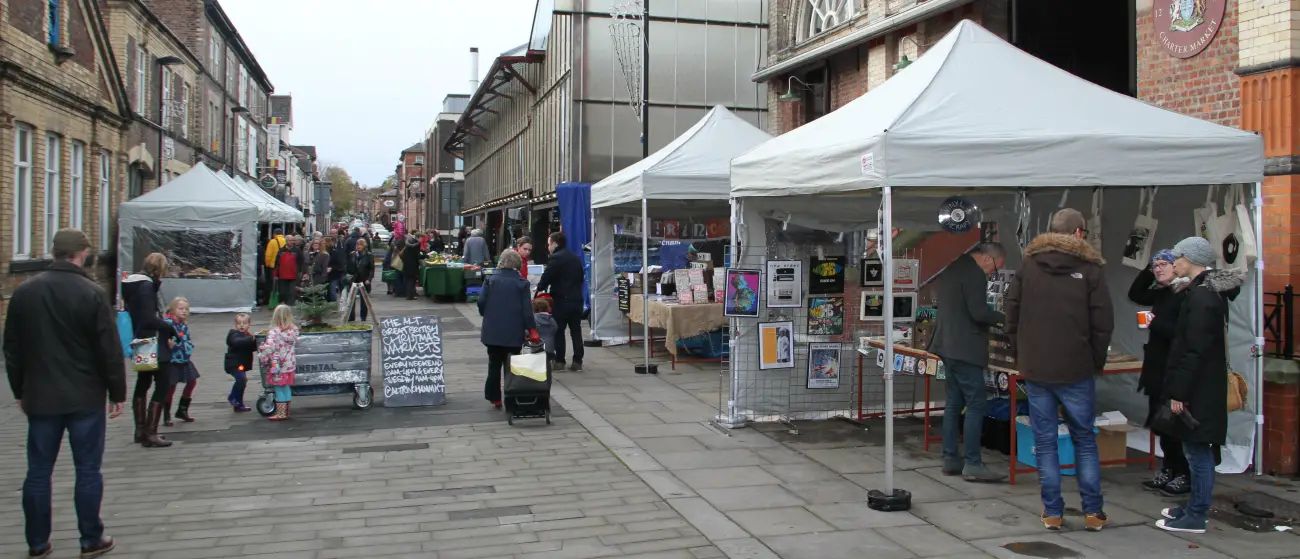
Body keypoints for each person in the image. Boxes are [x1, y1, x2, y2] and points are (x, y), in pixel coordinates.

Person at [4, 229, 122, 558]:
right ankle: (90, 539)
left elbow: (11, 348)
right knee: (87, 469)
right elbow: (108, 348)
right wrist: (117, 391)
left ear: (55, 253)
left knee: (38, 471)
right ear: (81, 253)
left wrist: (19, 388)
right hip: (85, 396)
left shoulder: (25, 293)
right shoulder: (92, 292)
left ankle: (37, 543)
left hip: (40, 395)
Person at [1005, 208, 1114, 532]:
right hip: (1077, 368)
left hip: (1037, 368)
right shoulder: (1091, 270)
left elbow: (1010, 312)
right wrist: (1095, 361)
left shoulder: (1028, 267)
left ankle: (1053, 512)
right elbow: (1103, 323)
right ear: (1080, 233)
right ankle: (1093, 512)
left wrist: (1019, 354)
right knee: (1084, 440)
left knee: (1046, 440)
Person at [1155, 237, 1241, 534]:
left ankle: (1197, 513)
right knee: (1195, 450)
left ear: (1191, 259)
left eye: (1177, 256)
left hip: (1200, 388)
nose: (1173, 261)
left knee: (1198, 452)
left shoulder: (1203, 297)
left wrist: (1179, 392)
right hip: (1200, 385)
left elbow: (1195, 349)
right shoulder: (1199, 292)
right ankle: (1194, 507)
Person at [930, 243, 1008, 483]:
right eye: (995, 269)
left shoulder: (953, 267)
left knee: (954, 402)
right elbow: (979, 312)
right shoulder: (974, 273)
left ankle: (951, 458)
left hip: (947, 345)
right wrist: (1005, 318)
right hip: (965, 349)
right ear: (986, 258)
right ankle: (973, 463)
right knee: (976, 404)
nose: (991, 274)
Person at [1128, 249, 1191, 495]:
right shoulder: (1163, 292)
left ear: (1178, 267)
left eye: (1165, 264)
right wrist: (1147, 268)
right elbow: (1135, 293)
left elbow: (1182, 332)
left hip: (1173, 368)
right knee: (1160, 422)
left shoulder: (1185, 293)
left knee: (1174, 424)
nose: (1159, 269)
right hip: (1156, 367)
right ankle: (1170, 467)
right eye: (1156, 266)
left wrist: (1156, 323)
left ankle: (1184, 472)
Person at [121, 252, 175, 448]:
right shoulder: (145, 287)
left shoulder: (132, 284)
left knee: (143, 383)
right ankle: (151, 432)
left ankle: (140, 430)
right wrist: (169, 328)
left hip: (141, 340)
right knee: (162, 384)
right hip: (153, 340)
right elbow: (148, 318)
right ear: (159, 269)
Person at [479, 249, 540, 409]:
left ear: (501, 262)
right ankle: (511, 397)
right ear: (517, 264)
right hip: (513, 332)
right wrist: (532, 329)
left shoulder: (490, 280)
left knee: (493, 364)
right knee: (511, 366)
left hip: (492, 331)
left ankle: (495, 398)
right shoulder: (522, 283)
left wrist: (486, 314)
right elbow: (527, 310)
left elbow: (481, 302)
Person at [536, 231, 585, 371]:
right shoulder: (575, 257)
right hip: (576, 299)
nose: (548, 247)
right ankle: (577, 361)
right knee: (576, 331)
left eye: (549, 243)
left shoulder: (556, 258)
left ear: (555, 243)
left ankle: (560, 360)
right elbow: (581, 277)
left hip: (562, 300)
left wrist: (540, 288)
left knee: (559, 330)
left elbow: (547, 276)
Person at [161, 298, 199, 425]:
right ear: (173, 310)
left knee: (192, 382)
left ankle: (182, 410)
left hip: (184, 358)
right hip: (172, 360)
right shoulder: (167, 323)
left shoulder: (183, 325)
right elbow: (164, 340)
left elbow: (187, 339)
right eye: (181, 309)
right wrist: (168, 344)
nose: (184, 311)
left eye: (186, 309)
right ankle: (166, 414)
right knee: (170, 387)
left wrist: (188, 346)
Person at [258, 305, 300, 421]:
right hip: (289, 365)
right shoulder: (294, 331)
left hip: (277, 366)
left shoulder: (274, 332)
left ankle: (281, 413)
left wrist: (262, 350)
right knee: (286, 388)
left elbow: (269, 348)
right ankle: (286, 411)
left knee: (278, 389)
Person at [224, 313, 256, 413]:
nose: (242, 325)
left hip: (241, 365)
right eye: (239, 323)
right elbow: (237, 342)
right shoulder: (233, 334)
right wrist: (251, 339)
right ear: (235, 325)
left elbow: (252, 347)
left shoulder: (248, 335)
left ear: (249, 324)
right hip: (233, 364)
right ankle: (232, 397)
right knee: (241, 379)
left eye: (244, 323)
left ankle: (239, 404)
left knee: (242, 382)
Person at [348, 238, 375, 322]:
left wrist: (369, 279)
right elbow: (348, 267)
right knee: (351, 300)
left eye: (360, 245)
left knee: (364, 301)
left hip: (364, 280)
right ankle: (351, 317)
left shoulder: (369, 255)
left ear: (364, 246)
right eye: (357, 244)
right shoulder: (352, 254)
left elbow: (371, 269)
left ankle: (363, 317)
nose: (358, 246)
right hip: (354, 280)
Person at [274, 236, 300, 306]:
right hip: (282, 275)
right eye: (290, 240)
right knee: (283, 292)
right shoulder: (281, 250)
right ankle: (285, 305)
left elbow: (301, 262)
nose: (291, 242)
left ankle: (291, 306)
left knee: (292, 292)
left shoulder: (297, 250)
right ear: (286, 241)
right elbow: (277, 263)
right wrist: (276, 274)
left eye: (292, 240)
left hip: (294, 275)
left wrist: (301, 273)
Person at [533, 298, 559, 366]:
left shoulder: (534, 319)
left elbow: (530, 330)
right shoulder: (551, 319)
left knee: (538, 365)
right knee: (547, 363)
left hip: (537, 347)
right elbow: (555, 328)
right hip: (550, 347)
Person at [264, 228, 287, 304]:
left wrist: (267, 264)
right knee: (282, 283)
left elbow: (268, 255)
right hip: (283, 266)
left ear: (274, 234)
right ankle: (282, 299)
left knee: (273, 284)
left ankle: (273, 300)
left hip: (274, 266)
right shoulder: (286, 241)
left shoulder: (272, 242)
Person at [401, 234, 421, 300]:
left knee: (408, 281)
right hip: (413, 267)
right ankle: (410, 296)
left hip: (406, 266)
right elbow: (417, 257)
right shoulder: (415, 248)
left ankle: (409, 295)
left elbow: (402, 256)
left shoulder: (406, 248)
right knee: (412, 281)